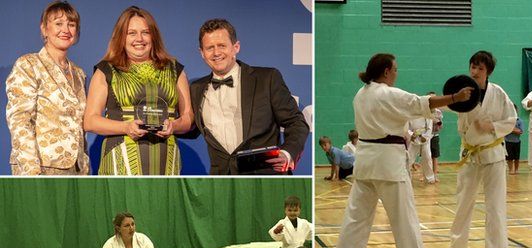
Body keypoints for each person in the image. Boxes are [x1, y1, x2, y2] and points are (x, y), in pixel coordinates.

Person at [331, 53, 472, 248]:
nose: (397, 73)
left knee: (356, 216)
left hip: (365, 162)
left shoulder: (361, 94)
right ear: (386, 71)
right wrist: (455, 97)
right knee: (404, 217)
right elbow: (422, 103)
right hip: (388, 163)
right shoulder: (388, 94)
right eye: (395, 69)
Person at [190, 18, 309, 175]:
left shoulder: (267, 79)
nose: (216, 52)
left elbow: (296, 122)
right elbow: (188, 127)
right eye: (210, 48)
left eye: (222, 46)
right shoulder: (196, 89)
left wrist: (287, 153)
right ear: (202, 53)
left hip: (265, 176)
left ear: (236, 47)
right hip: (221, 181)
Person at [84, 6, 193, 175]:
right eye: (131, 33)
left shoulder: (174, 69)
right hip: (120, 160)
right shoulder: (106, 70)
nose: (139, 38)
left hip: (167, 161)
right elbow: (90, 121)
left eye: (145, 32)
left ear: (153, 36)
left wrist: (174, 125)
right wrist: (126, 127)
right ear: (121, 37)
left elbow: (187, 118)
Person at [435, 51, 517, 248]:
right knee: (463, 202)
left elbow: (511, 120)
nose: (475, 71)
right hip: (470, 154)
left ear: (488, 71)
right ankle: (456, 246)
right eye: (473, 66)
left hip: (493, 154)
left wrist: (492, 126)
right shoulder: (463, 89)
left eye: (480, 68)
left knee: (495, 205)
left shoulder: (498, 93)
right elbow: (449, 105)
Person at [5, 1, 89, 175]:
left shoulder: (79, 74)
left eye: (71, 24)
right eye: (58, 23)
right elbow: (19, 119)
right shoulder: (28, 64)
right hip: (41, 168)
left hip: (76, 170)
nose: (65, 29)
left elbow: (80, 127)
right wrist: (32, 171)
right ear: (44, 29)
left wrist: (84, 168)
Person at [406, 113, 435, 183]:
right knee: (409, 159)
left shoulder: (426, 114)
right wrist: (411, 134)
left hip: (424, 139)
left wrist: (424, 137)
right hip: (414, 139)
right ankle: (406, 178)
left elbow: (429, 128)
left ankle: (430, 178)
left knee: (427, 158)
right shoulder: (410, 114)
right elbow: (406, 128)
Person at [429, 92, 444, 182]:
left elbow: (440, 125)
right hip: (426, 136)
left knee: (435, 156)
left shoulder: (438, 112)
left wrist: (437, 123)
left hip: (434, 135)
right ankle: (426, 174)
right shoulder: (424, 111)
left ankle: (434, 175)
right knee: (426, 156)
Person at [505, 107, 524, 175]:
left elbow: (521, 131)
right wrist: (514, 130)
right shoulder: (506, 121)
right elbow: (505, 130)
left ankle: (516, 170)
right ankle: (510, 170)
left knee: (516, 157)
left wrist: (511, 129)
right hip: (508, 141)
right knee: (509, 157)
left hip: (517, 141)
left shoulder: (520, 121)